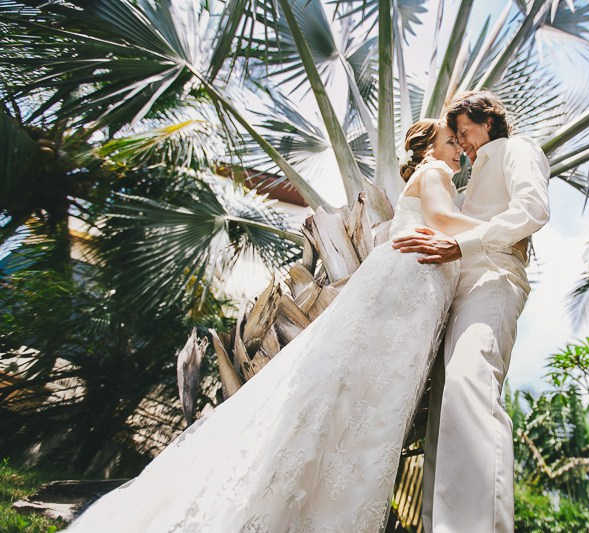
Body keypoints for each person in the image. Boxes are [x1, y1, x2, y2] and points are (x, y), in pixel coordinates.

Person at [65, 119, 484, 532]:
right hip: (405, 288)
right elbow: (445, 220)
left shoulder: (434, 172)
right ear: (427, 149)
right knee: (363, 401)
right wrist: (507, 229)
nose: (458, 150)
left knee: (361, 400)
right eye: (451, 140)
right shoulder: (436, 172)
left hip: (410, 295)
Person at [393, 90, 551, 533]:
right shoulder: (469, 173)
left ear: (489, 121)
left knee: (470, 388)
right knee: (444, 419)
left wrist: (464, 243)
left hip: (494, 280)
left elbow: (533, 209)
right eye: (456, 136)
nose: (460, 142)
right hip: (458, 290)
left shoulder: (517, 149)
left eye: (464, 131)